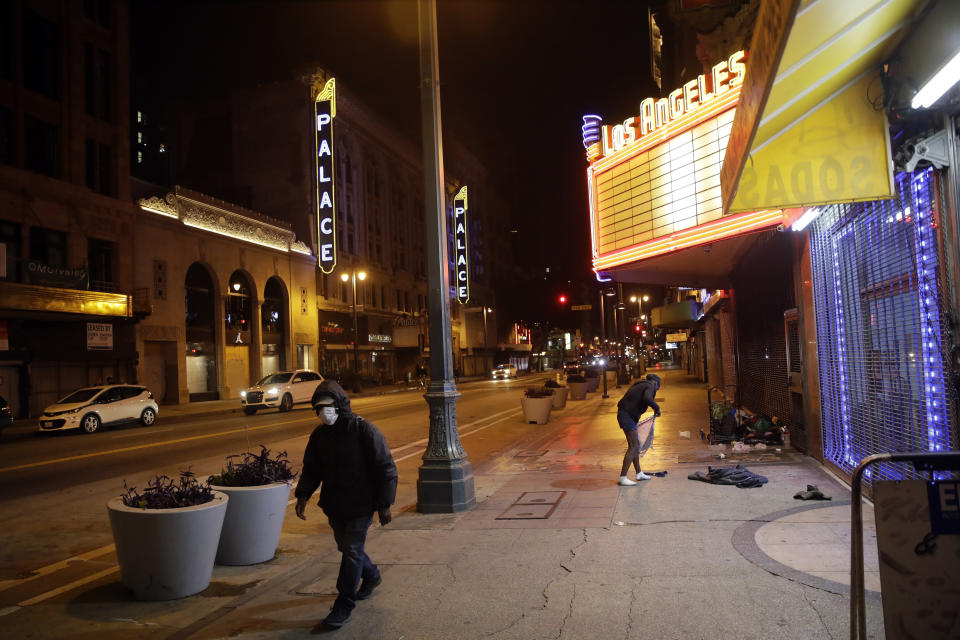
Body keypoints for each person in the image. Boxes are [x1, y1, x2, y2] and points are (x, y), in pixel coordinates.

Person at [295, 380, 398, 629]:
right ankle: (371, 575)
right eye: (319, 407)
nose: (324, 412)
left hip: (362, 504)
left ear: (340, 405)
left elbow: (386, 468)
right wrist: (303, 496)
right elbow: (311, 469)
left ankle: (344, 604)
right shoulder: (319, 436)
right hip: (335, 504)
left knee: (351, 550)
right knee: (346, 548)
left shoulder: (364, 431)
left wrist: (385, 504)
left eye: (328, 406)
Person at [615, 373, 662, 486]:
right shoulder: (650, 386)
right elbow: (647, 398)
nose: (657, 389)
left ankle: (639, 473)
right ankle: (623, 477)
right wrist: (657, 408)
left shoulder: (640, 385)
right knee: (634, 446)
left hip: (627, 415)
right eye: (658, 387)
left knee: (636, 445)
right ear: (655, 383)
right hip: (626, 416)